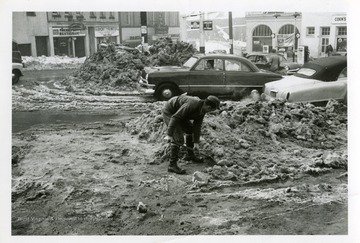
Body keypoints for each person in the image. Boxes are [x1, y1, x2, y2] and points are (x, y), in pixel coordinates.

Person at [162, 93, 221, 174]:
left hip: (181, 113)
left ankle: (190, 155)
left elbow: (197, 126)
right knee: (179, 138)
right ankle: (172, 165)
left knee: (190, 130)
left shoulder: (202, 110)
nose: (210, 112)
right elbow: (175, 118)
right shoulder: (192, 104)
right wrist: (169, 134)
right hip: (170, 111)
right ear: (209, 107)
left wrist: (196, 143)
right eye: (212, 110)